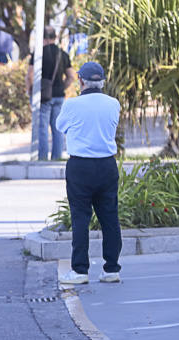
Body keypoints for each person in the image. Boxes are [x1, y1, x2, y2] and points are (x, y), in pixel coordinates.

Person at [55, 61, 122, 286]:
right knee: (110, 217)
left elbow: (60, 127)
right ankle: (111, 268)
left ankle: (80, 270)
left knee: (81, 218)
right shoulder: (113, 104)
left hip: (80, 166)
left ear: (81, 81)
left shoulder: (71, 105)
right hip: (107, 165)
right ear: (102, 81)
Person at [27, 26, 71, 160]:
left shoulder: (38, 53)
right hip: (59, 95)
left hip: (43, 96)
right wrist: (62, 87)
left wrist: (30, 91)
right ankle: (57, 157)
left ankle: (42, 157)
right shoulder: (63, 54)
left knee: (42, 128)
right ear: (55, 37)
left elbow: (30, 75)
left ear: (43, 38)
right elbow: (71, 76)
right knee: (57, 128)